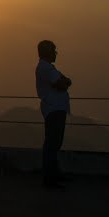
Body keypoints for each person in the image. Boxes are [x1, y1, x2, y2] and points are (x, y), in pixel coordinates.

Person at [35, 40, 72, 188]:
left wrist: (65, 81)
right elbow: (63, 83)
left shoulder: (49, 68)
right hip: (54, 109)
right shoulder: (46, 69)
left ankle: (53, 174)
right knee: (52, 143)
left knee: (54, 143)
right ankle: (50, 179)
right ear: (47, 52)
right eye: (53, 50)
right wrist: (65, 82)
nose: (56, 53)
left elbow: (64, 81)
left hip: (55, 108)